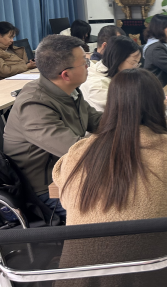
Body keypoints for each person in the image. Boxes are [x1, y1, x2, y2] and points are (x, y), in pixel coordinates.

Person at [53, 68, 167, 286]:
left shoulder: (79, 152)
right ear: (159, 104)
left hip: (82, 281)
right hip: (160, 278)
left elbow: (60, 179)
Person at [3, 35, 102, 219]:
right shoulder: (34, 105)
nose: (88, 67)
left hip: (68, 172)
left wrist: (134, 125)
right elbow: (77, 150)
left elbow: (98, 121)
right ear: (66, 74)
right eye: (84, 63)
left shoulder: (68, 91)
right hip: (44, 189)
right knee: (112, 209)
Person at [81, 36, 142, 111]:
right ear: (117, 59)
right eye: (133, 63)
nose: (135, 67)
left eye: (138, 64)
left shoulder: (115, 74)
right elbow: (113, 114)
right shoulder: (99, 85)